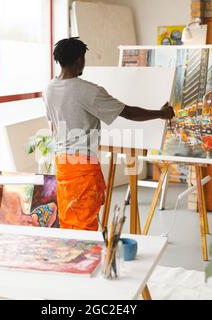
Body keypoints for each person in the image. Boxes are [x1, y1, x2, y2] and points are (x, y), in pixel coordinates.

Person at [43, 37, 175, 231]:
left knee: (69, 218)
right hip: (82, 166)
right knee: (83, 223)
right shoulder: (88, 91)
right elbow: (129, 112)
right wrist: (161, 114)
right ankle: (85, 259)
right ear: (79, 59)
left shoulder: (48, 89)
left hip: (62, 162)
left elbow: (53, 124)